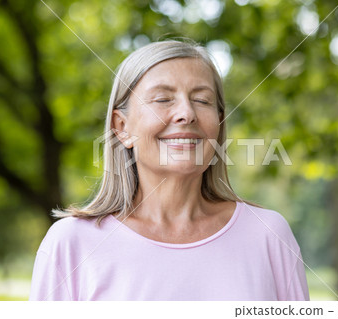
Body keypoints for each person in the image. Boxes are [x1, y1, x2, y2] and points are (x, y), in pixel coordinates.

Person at [29, 40, 310, 301]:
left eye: (202, 100)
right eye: (163, 99)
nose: (187, 113)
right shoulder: (71, 243)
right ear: (122, 128)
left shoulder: (268, 235)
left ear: (219, 123)